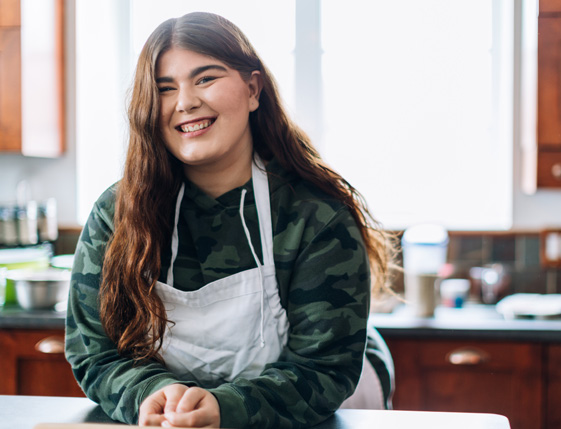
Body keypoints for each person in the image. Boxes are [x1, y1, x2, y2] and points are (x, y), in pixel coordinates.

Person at [65, 11, 394, 429]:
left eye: (205, 79)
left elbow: (324, 368)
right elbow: (95, 351)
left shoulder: (316, 217)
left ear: (253, 89)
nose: (185, 102)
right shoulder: (117, 215)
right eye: (165, 89)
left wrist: (224, 408)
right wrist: (149, 395)